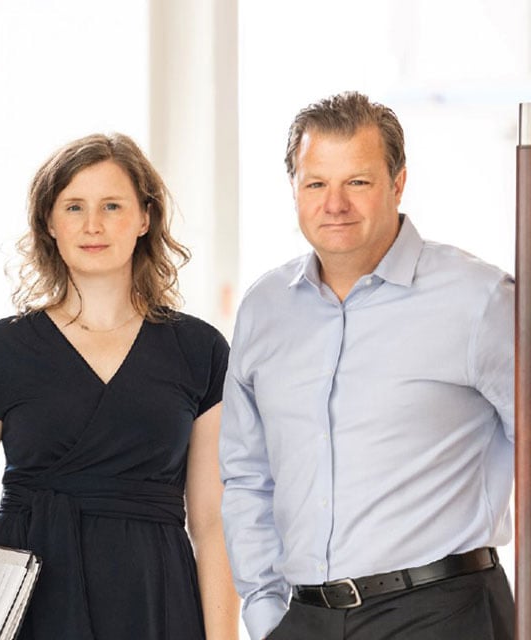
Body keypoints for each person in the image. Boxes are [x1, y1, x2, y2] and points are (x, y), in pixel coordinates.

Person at [0, 133, 239, 639]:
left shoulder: (201, 349)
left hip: (154, 596)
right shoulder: (0, 349)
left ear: (145, 218)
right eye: (74, 206)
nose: (93, 225)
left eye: (112, 205)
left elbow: (213, 522)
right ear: (49, 222)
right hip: (29, 598)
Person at [219, 91, 515, 640]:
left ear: (397, 183)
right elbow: (247, 478)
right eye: (316, 184)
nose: (335, 204)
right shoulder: (265, 309)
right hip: (303, 619)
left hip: (442, 612)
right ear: (294, 189)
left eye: (357, 182)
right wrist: (265, 611)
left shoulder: (479, 299)